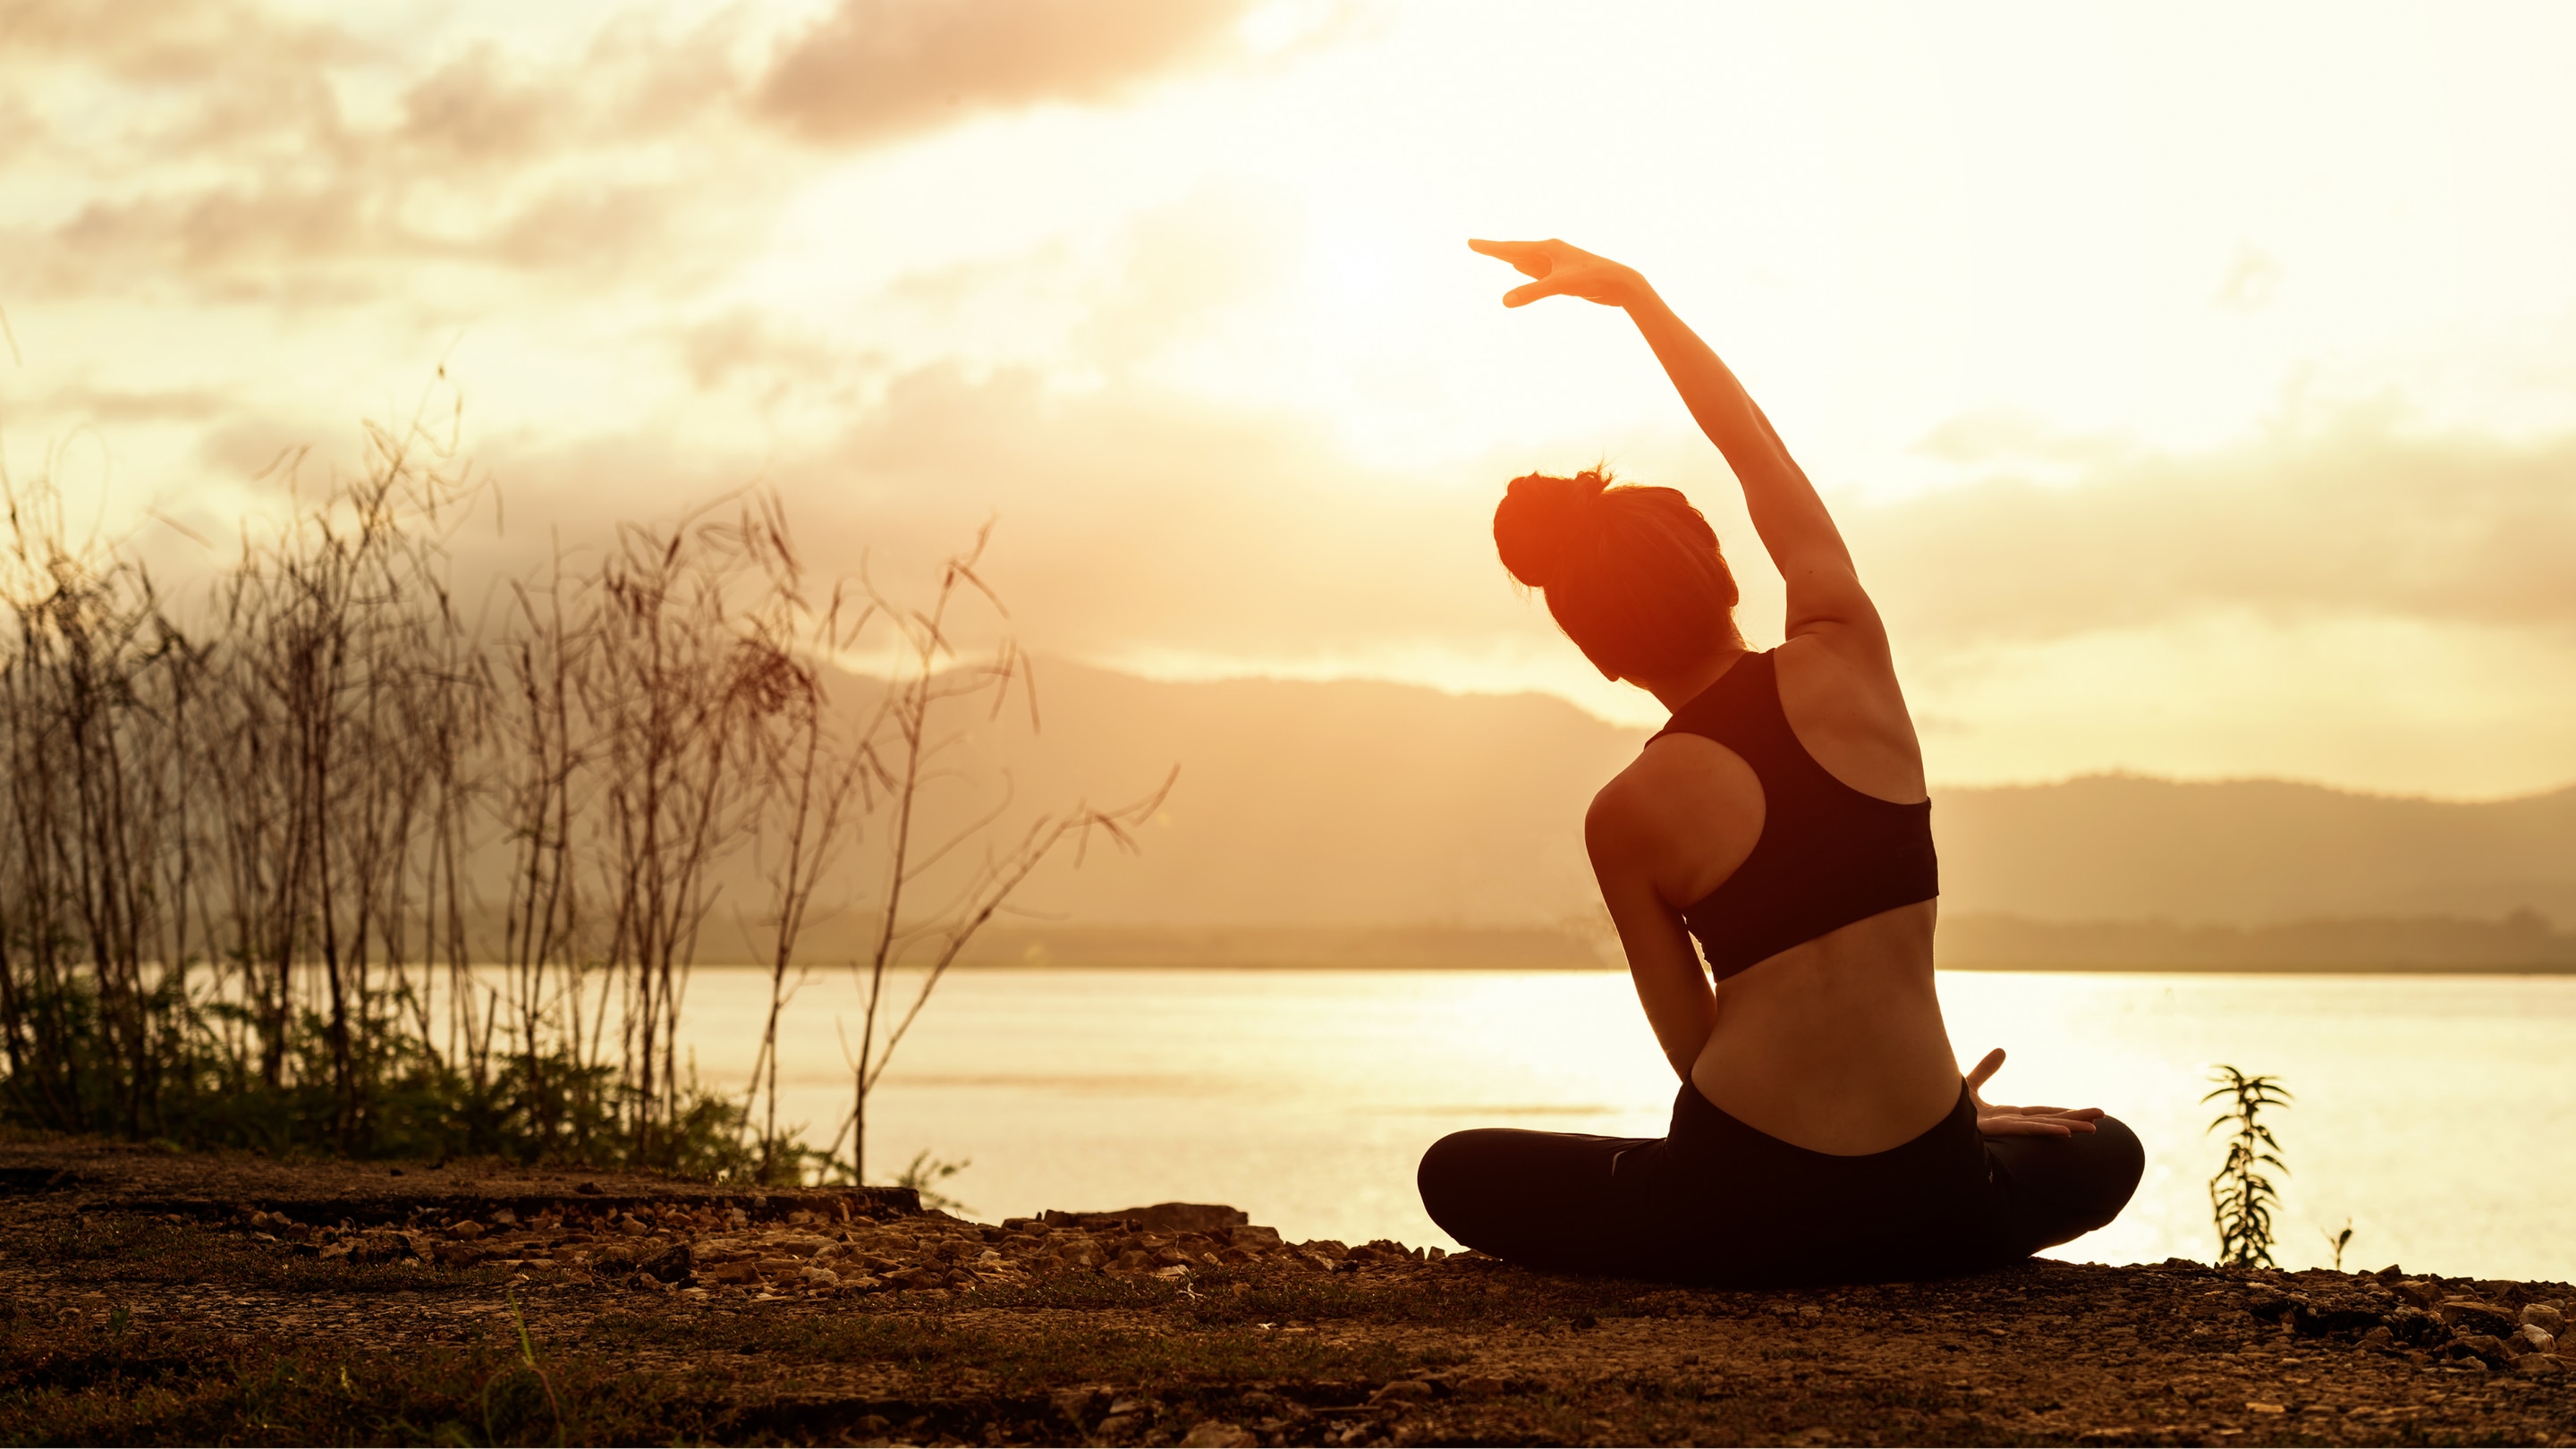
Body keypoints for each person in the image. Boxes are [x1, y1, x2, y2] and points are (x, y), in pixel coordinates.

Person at [1417, 238, 2142, 1286]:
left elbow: (1697, 1052)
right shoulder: (1849, 655)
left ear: (1603, 657)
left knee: (1458, 1171)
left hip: (1741, 1216)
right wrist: (1635, 297)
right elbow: (1757, 451)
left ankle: (1770, 1216)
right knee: (2104, 1146)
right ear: (1723, 575)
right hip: (1935, 1199)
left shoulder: (1625, 815)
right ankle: (1937, 1159)